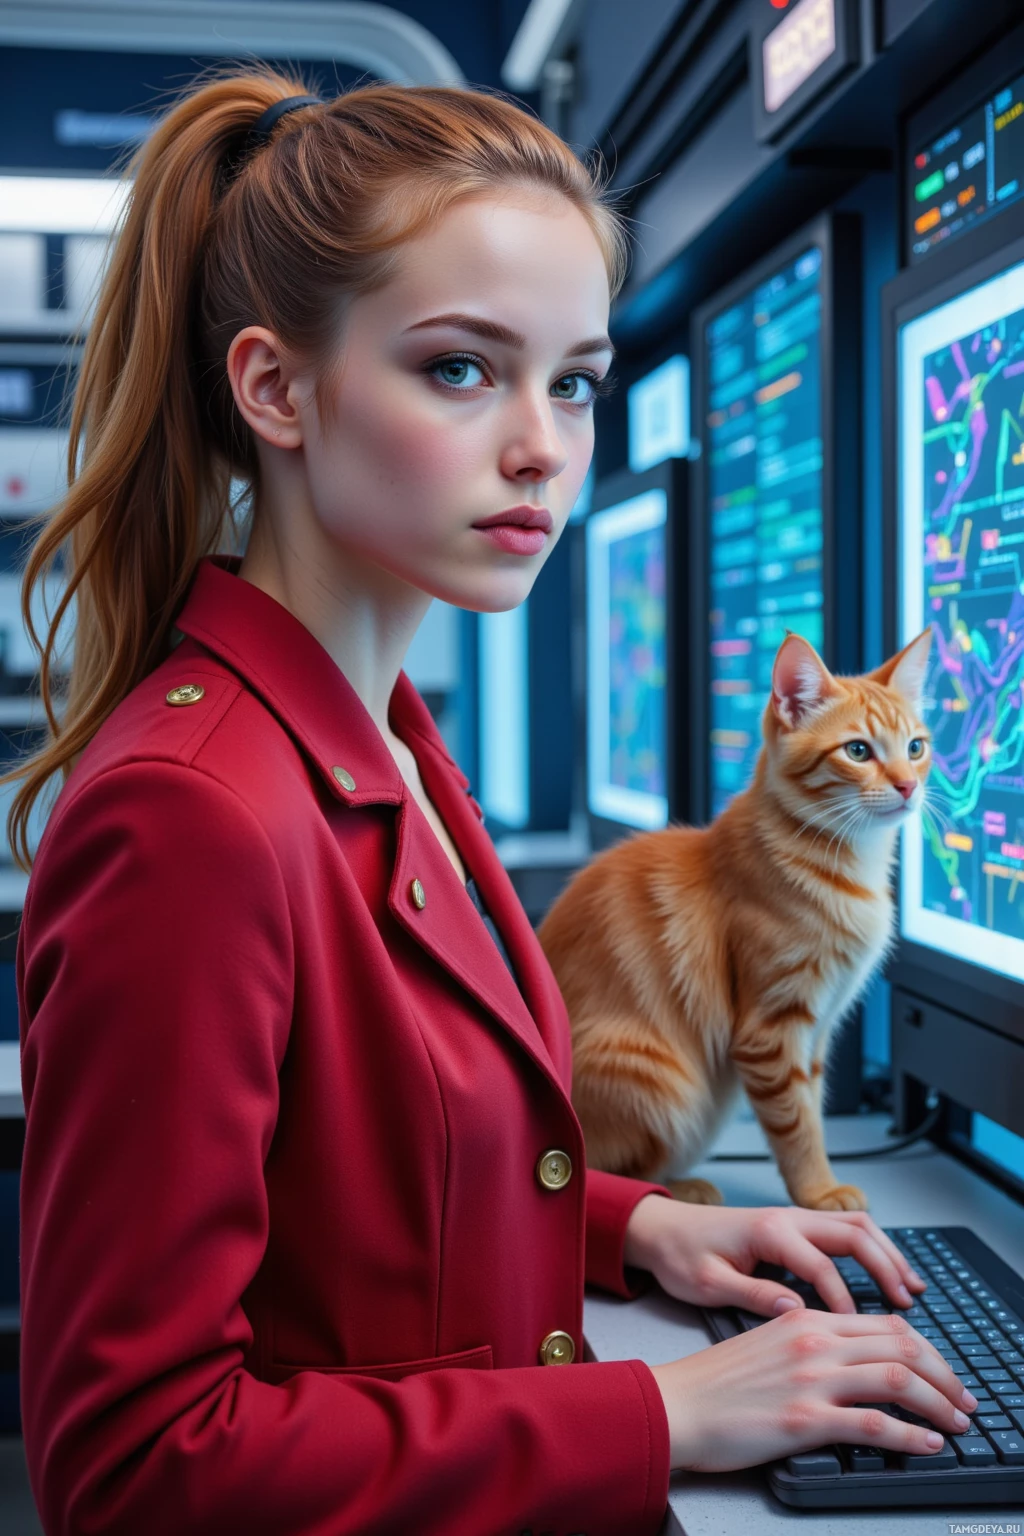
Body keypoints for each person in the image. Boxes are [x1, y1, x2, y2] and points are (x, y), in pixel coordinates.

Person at [7, 69, 974, 1536]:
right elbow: (136, 1466)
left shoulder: (386, 745)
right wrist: (659, 1412)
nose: (544, 446)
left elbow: (381, 1197)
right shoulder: (189, 816)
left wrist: (641, 1224)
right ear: (274, 388)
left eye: (574, 380)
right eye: (462, 369)